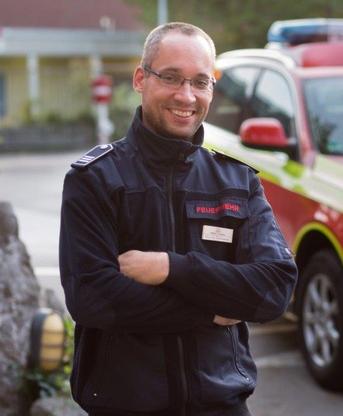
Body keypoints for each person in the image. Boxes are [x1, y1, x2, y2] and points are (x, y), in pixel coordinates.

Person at [59, 22, 298, 416]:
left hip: (222, 403)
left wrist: (175, 269)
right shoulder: (96, 179)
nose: (186, 96)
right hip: (124, 405)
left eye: (200, 82)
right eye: (171, 78)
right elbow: (93, 299)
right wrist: (210, 310)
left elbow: (274, 289)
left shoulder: (237, 181)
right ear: (141, 79)